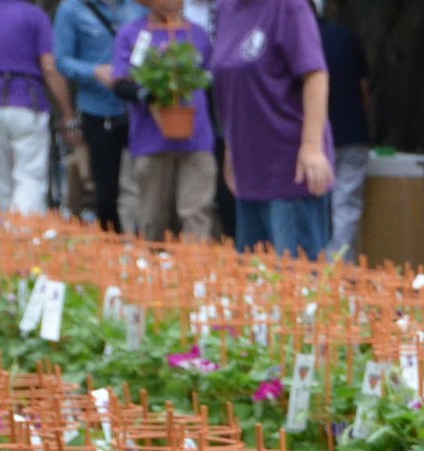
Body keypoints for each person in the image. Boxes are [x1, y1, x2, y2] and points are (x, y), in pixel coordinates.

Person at [212, 0, 334, 257]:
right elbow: (229, 87)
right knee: (255, 282)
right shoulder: (225, 8)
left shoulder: (289, 7)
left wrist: (312, 147)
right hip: (248, 172)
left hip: (290, 169)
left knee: (296, 283)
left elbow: (315, 74)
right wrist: (230, 152)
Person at [0, 0, 73, 215]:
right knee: (30, 175)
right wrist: (67, 110)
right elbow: (49, 67)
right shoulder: (34, 15)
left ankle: (6, 237)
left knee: (1, 179)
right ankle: (25, 233)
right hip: (27, 100)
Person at [113, 0, 214, 241]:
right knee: (152, 217)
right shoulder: (132, 34)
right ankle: (152, 271)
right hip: (150, 141)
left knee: (196, 212)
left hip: (196, 139)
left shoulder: (198, 35)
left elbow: (210, 79)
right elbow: (120, 82)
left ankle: (195, 271)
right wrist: (145, 94)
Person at [55, 0, 142, 231]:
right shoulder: (71, 8)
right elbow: (61, 61)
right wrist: (94, 71)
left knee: (144, 185)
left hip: (138, 109)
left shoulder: (138, 5)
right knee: (105, 192)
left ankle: (144, 244)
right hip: (98, 110)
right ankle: (110, 249)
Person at [314, 3, 368, 260]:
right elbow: (363, 87)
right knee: (345, 206)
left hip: (313, 138)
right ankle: (340, 268)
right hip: (352, 132)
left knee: (317, 206)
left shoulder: (295, 43)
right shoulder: (346, 37)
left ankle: (318, 269)